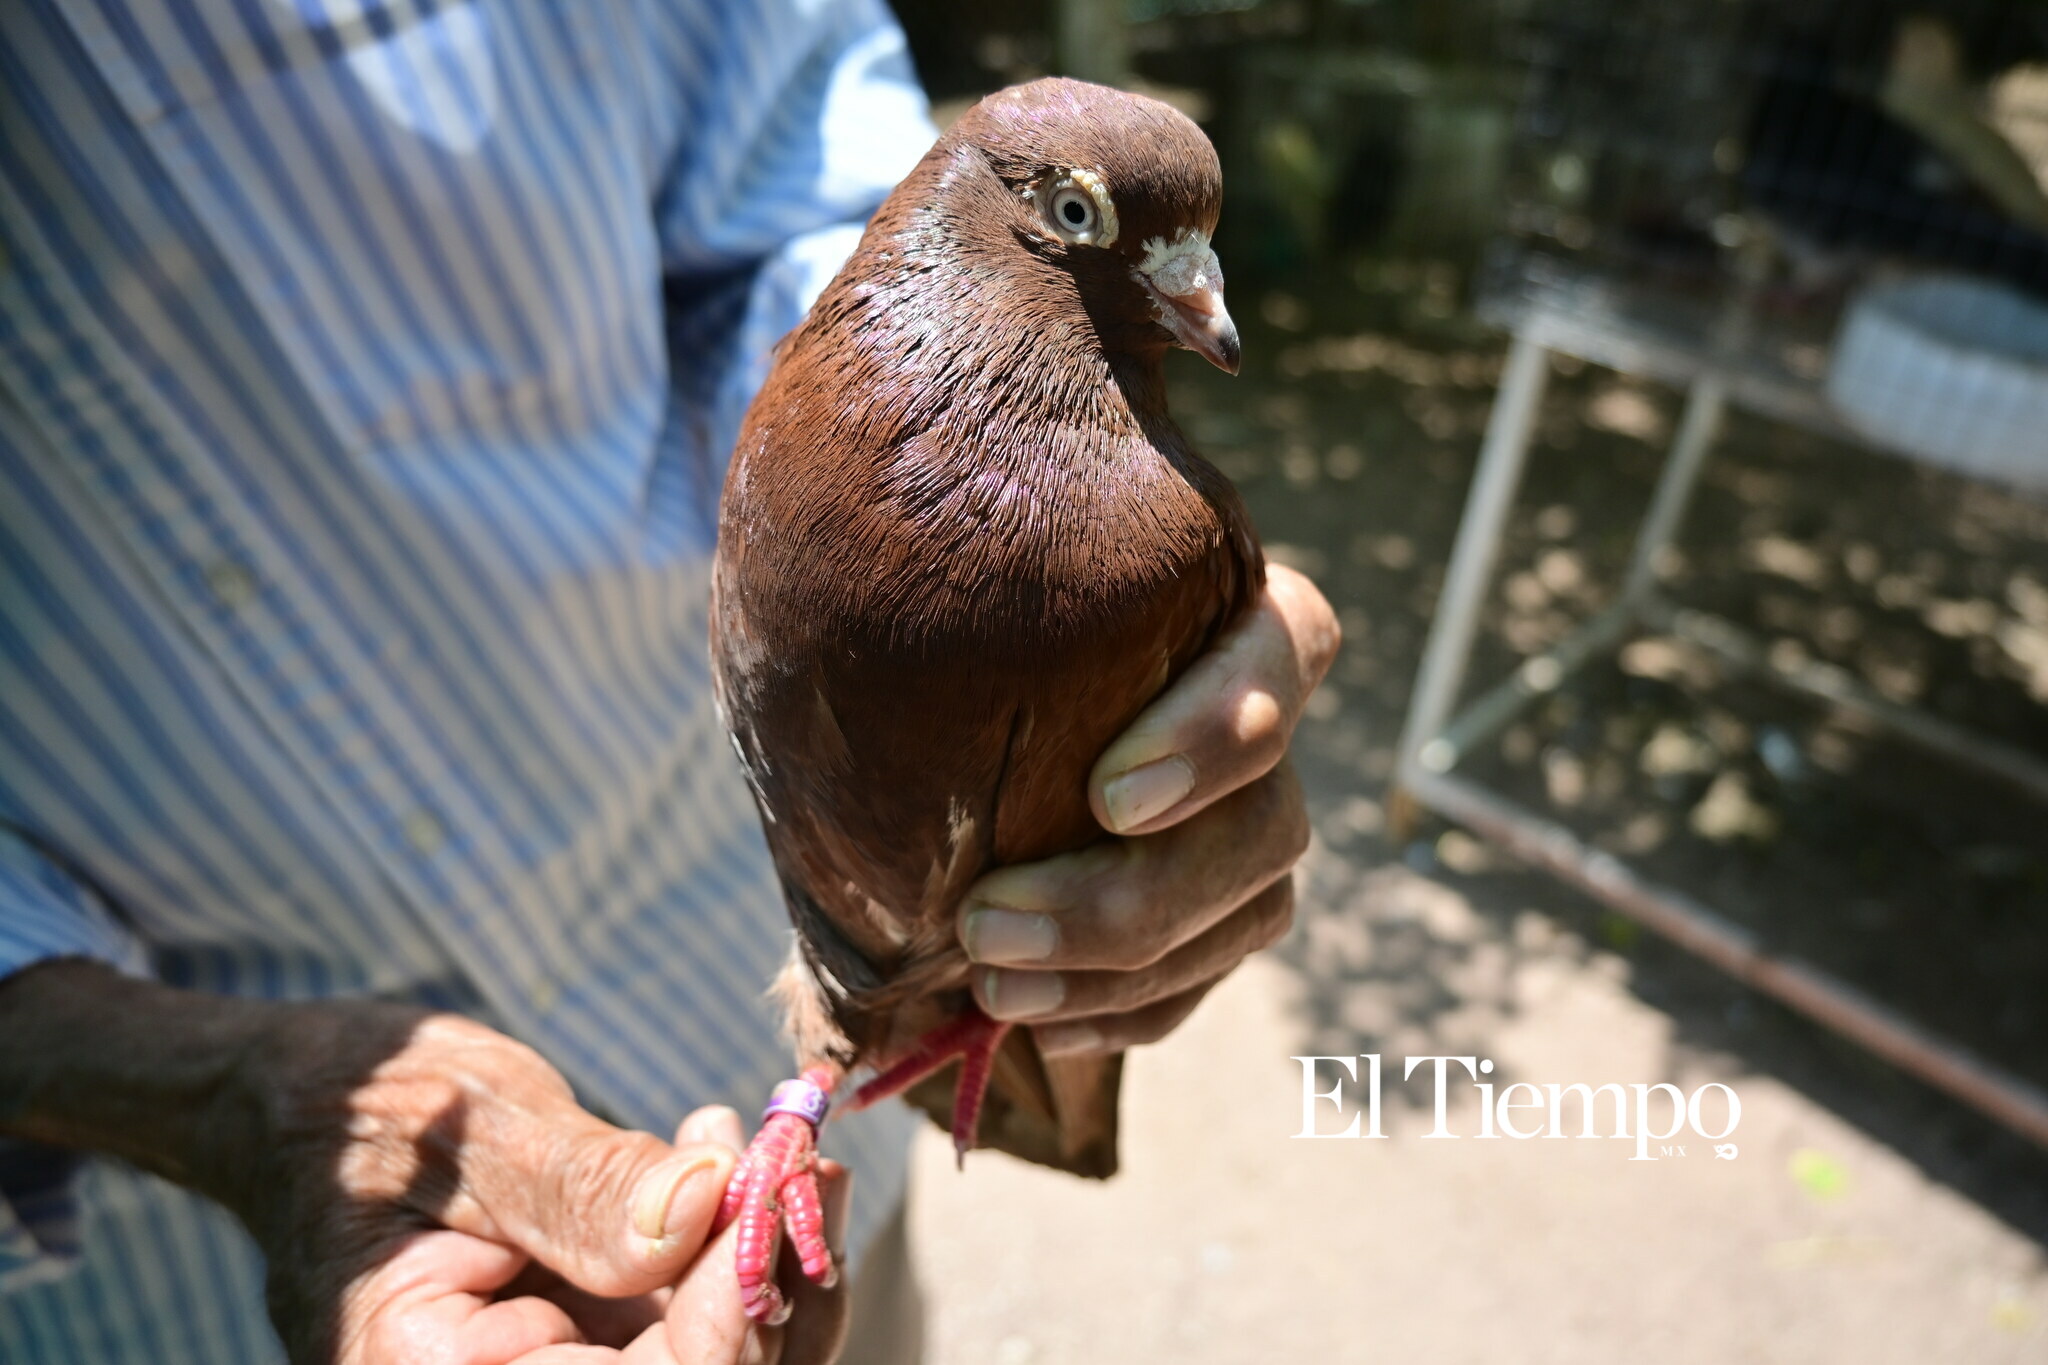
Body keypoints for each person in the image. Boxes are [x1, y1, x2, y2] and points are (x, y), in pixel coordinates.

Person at [0, 2, 1337, 1362]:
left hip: (787, 1098)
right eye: (1083, 218)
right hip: (164, 1273)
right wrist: (217, 1093)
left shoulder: (1143, 500)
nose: (1203, 301)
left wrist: (929, 472)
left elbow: (787, 180)